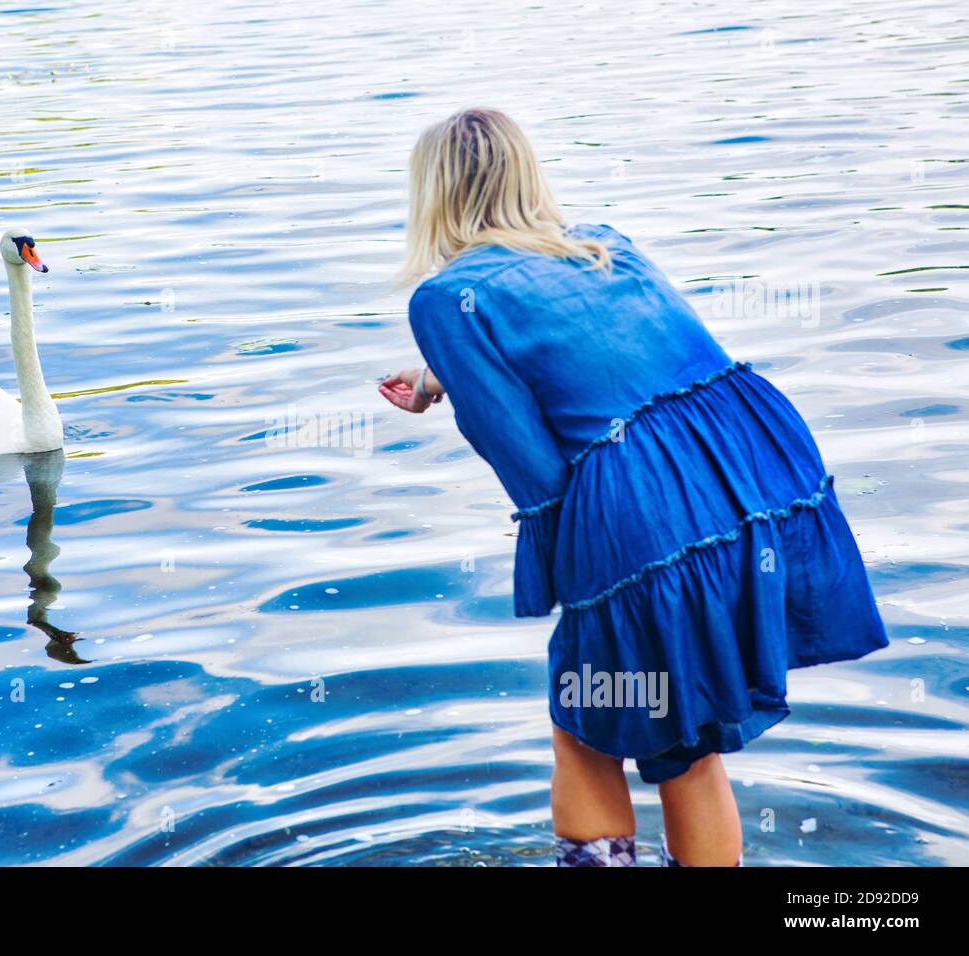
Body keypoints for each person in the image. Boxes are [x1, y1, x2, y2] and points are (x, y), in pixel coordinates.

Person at [379, 108, 888, 866]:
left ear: (431, 195)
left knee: (586, 723)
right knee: (684, 734)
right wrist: (437, 377)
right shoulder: (602, 244)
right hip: (757, 474)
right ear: (526, 172)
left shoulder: (443, 299)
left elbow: (533, 469)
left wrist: (576, 590)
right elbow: (606, 358)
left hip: (643, 512)